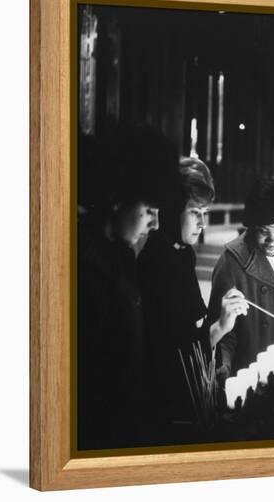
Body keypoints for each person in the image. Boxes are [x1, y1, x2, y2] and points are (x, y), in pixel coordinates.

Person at [77, 126, 179, 450]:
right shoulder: (82, 269)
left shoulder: (120, 257)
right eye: (150, 211)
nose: (156, 224)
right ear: (117, 199)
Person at [138, 157, 248, 435]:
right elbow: (169, 355)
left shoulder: (182, 253)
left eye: (205, 213)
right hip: (163, 404)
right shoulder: (155, 262)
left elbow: (191, 326)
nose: (202, 223)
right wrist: (220, 327)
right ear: (173, 210)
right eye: (194, 212)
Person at [208, 179, 274, 378]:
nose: (273, 240)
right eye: (263, 231)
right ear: (251, 226)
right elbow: (221, 332)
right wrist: (223, 367)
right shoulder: (231, 262)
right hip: (247, 369)